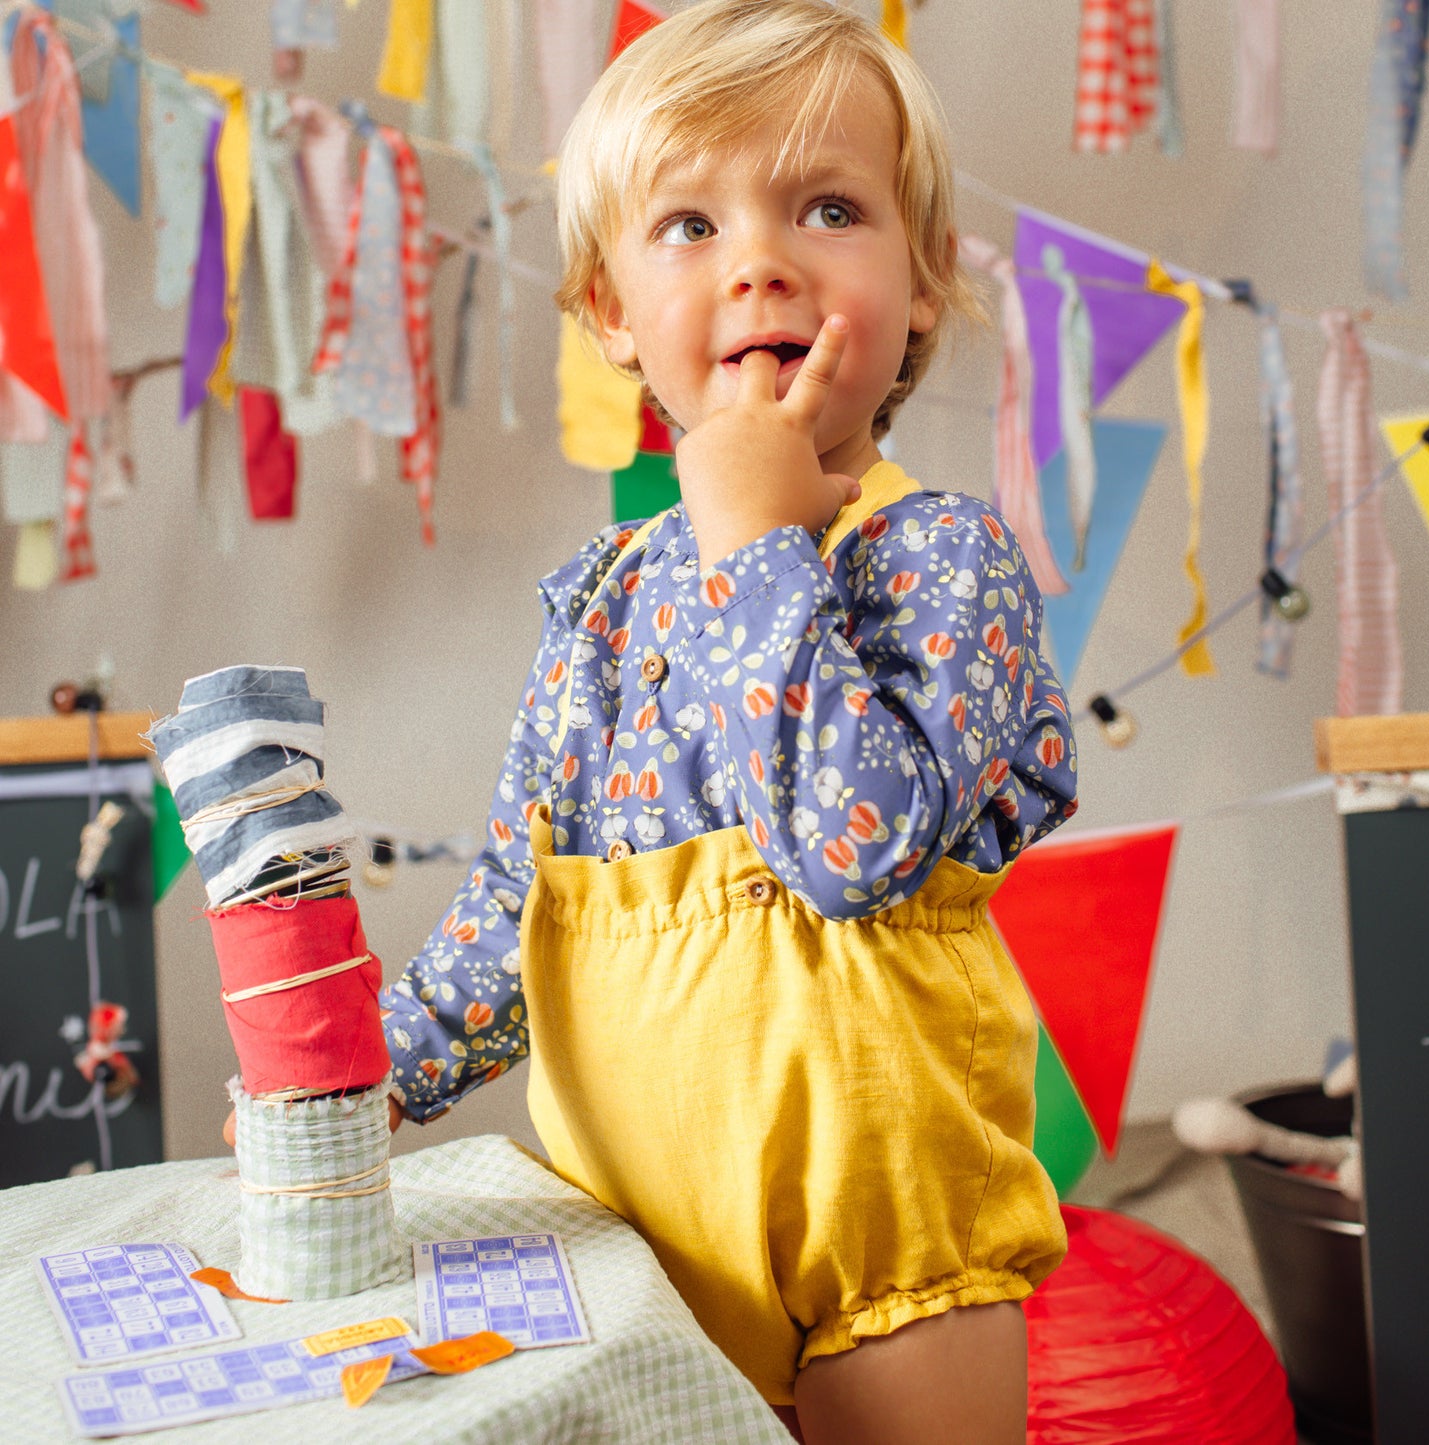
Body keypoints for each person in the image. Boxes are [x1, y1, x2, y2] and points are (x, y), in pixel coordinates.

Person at [378, 3, 1078, 1439]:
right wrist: (365, 1074)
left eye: (829, 207)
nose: (761, 256)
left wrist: (759, 532)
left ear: (927, 280)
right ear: (608, 312)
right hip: (645, 1257)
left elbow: (851, 846)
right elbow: (518, 901)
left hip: (885, 1251)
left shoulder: (941, 558)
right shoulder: (601, 608)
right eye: (687, 225)